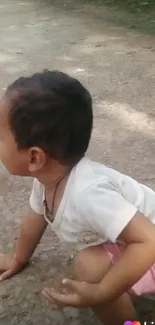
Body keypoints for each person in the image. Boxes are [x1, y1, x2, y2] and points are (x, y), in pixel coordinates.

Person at [0, 70, 155, 325]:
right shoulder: (49, 178)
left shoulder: (88, 194)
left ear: (34, 157)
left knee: (90, 267)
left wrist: (103, 291)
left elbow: (149, 240)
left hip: (149, 243)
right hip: (138, 239)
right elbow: (34, 218)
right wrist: (18, 257)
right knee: (94, 265)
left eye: (0, 136)